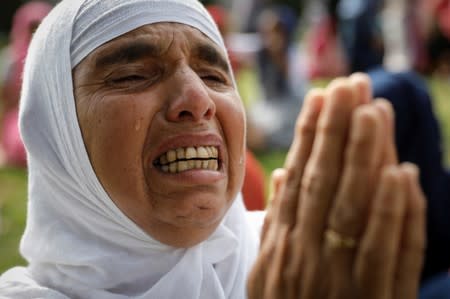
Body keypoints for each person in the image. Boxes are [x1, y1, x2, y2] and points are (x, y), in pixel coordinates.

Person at [0, 0, 425, 298]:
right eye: (131, 75)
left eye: (215, 74)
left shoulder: (304, 258)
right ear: (56, 131)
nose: (198, 99)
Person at [0, 1, 53, 167]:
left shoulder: (54, 59)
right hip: (18, 119)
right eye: (32, 28)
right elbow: (6, 102)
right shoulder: (11, 60)